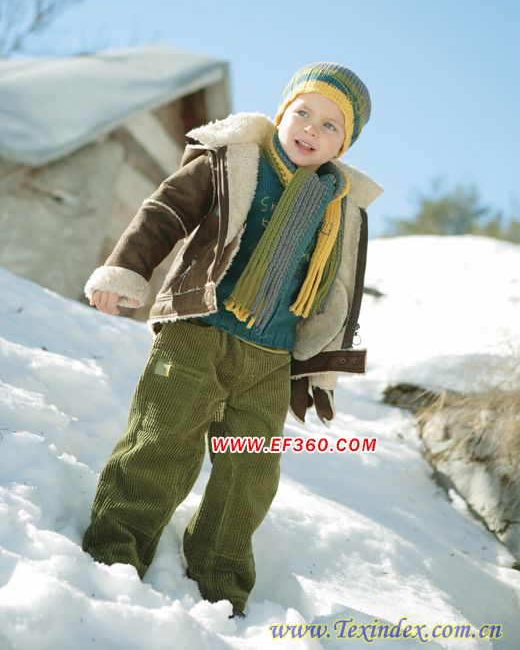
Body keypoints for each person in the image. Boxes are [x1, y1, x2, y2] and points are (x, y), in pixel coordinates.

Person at [82, 62, 383, 618]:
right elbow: (165, 212)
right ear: (282, 112)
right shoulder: (235, 159)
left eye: (330, 126)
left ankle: (220, 583)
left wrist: (321, 365)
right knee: (162, 441)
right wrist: (125, 271)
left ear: (343, 144)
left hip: (270, 357)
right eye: (303, 113)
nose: (311, 129)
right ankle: (113, 553)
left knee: (249, 474)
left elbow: (339, 293)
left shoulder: (340, 207)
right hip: (198, 332)